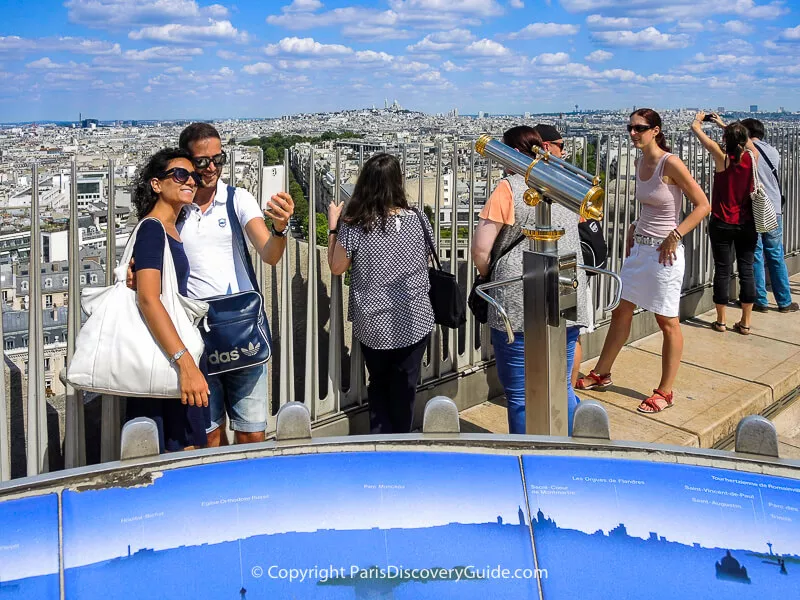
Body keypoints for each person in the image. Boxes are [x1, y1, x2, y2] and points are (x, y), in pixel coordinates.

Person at [129, 124, 295, 446]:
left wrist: (279, 229)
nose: (212, 168)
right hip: (196, 338)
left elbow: (269, 254)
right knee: (208, 435)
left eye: (218, 159)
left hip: (240, 329)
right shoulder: (175, 210)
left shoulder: (238, 199)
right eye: (202, 162)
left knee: (252, 433)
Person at [577, 109, 710, 414]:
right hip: (640, 248)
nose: (633, 132)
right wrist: (634, 228)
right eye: (631, 128)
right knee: (622, 311)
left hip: (665, 253)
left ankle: (665, 390)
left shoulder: (671, 162)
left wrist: (675, 234)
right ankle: (603, 372)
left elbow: (703, 205)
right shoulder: (639, 162)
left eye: (640, 128)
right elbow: (651, 206)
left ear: (655, 130)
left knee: (667, 320)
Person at [471, 125, 587, 434]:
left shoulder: (508, 187)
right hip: (566, 284)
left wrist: (487, 275)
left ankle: (528, 459)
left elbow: (480, 249)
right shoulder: (567, 182)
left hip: (517, 294)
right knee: (561, 386)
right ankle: (570, 451)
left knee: (522, 395)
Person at [327, 153, 434, 434]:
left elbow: (337, 267)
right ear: (398, 183)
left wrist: (333, 227)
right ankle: (401, 443)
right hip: (415, 319)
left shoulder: (355, 225)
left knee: (378, 385)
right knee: (405, 387)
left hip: (375, 324)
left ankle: (381, 444)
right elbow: (423, 256)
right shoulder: (419, 219)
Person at [126, 148, 209, 452]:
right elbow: (149, 299)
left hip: (171, 354)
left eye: (194, 176)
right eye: (180, 174)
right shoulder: (153, 229)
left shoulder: (172, 228)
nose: (190, 181)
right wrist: (186, 365)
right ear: (156, 184)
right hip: (166, 361)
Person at [691, 113, 759, 335]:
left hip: (721, 221)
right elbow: (746, 140)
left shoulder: (722, 157)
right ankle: (746, 322)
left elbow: (697, 131)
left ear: (726, 139)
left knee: (722, 270)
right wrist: (725, 124)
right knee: (746, 269)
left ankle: (721, 321)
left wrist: (700, 119)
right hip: (747, 222)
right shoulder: (752, 156)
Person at [741, 118, 798, 313]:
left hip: (753, 209)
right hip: (773, 208)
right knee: (775, 255)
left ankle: (760, 301)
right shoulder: (773, 152)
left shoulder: (747, 152)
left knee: (756, 255)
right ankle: (784, 301)